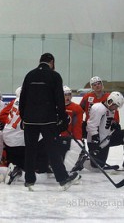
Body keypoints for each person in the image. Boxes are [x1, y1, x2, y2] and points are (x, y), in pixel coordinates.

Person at [19, 53, 80, 191]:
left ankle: (29, 180)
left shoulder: (29, 75)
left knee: (30, 150)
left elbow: (23, 98)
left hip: (30, 120)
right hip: (48, 120)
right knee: (52, 150)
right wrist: (63, 118)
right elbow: (59, 99)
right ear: (51, 62)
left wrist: (24, 117)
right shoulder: (55, 76)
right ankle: (63, 179)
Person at [86, 91, 124, 170]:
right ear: (110, 102)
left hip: (106, 140)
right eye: (116, 106)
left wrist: (113, 125)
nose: (116, 108)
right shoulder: (98, 108)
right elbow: (91, 124)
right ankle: (84, 161)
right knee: (96, 167)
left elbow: (105, 123)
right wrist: (94, 137)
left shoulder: (110, 109)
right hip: (97, 141)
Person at [58, 86, 84, 172]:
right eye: (65, 95)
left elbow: (77, 126)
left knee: (77, 146)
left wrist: (77, 139)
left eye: (69, 94)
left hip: (68, 138)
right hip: (56, 137)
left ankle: (66, 170)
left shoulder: (77, 108)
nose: (67, 97)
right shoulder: (54, 106)